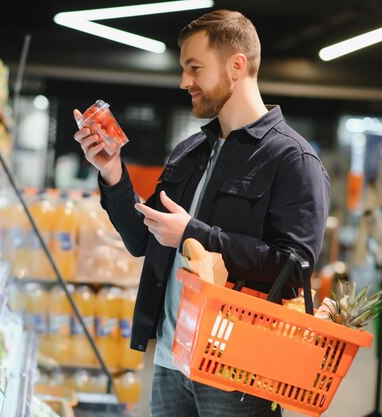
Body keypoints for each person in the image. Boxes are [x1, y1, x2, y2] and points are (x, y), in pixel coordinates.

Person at [73, 10, 330, 417]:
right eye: (183, 69)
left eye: (195, 68)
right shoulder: (190, 150)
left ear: (237, 66)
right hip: (171, 359)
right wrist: (111, 170)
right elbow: (142, 240)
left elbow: (295, 266)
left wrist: (197, 235)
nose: (184, 82)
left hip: (237, 369)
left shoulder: (292, 159)